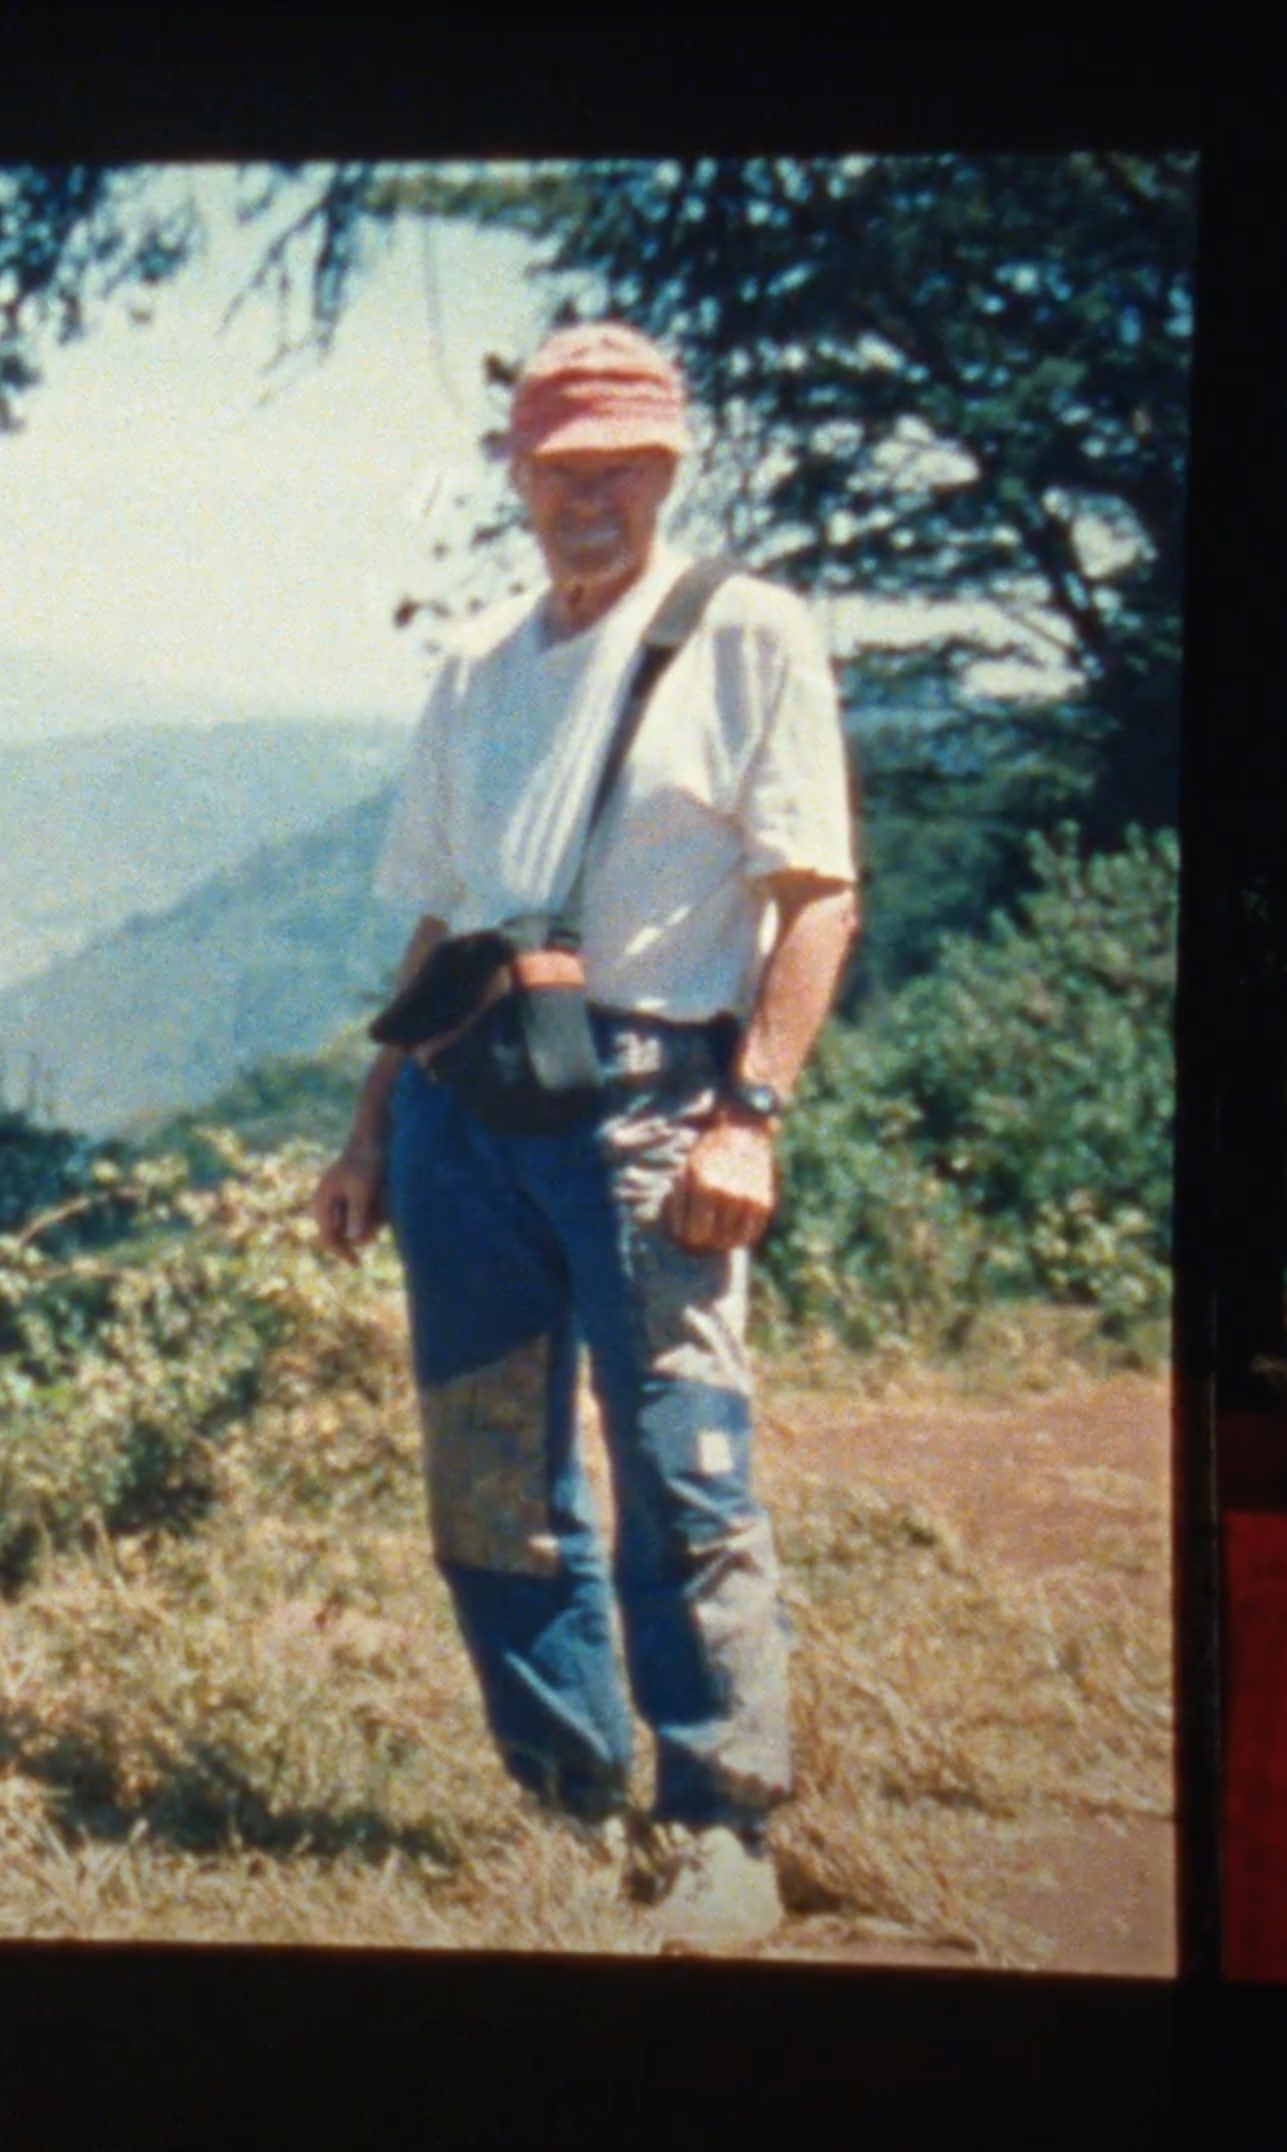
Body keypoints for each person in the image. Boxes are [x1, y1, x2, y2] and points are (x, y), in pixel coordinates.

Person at [311, 321, 860, 1951]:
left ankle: (722, 1832)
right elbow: (442, 924)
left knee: (683, 1458)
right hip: (465, 1104)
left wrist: (749, 1113)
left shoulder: (745, 633)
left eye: (621, 467)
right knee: (491, 1471)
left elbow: (815, 895)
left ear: (671, 471)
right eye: (561, 471)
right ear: (519, 481)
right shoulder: (482, 664)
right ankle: (567, 1802)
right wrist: (365, 1129)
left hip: (648, 1103)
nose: (590, 499)